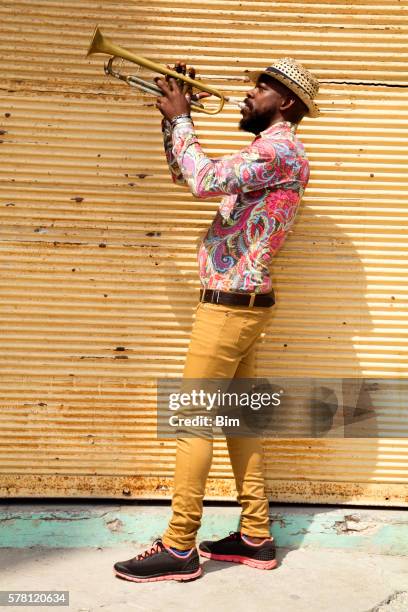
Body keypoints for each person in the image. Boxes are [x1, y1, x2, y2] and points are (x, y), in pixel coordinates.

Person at [113, 57, 320, 583]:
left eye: (263, 88)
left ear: (287, 103)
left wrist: (183, 117)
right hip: (244, 303)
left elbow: (204, 179)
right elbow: (189, 175)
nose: (249, 94)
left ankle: (180, 544)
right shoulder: (268, 153)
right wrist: (171, 118)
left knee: (192, 422)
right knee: (240, 421)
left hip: (229, 306)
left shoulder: (277, 149)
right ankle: (256, 535)